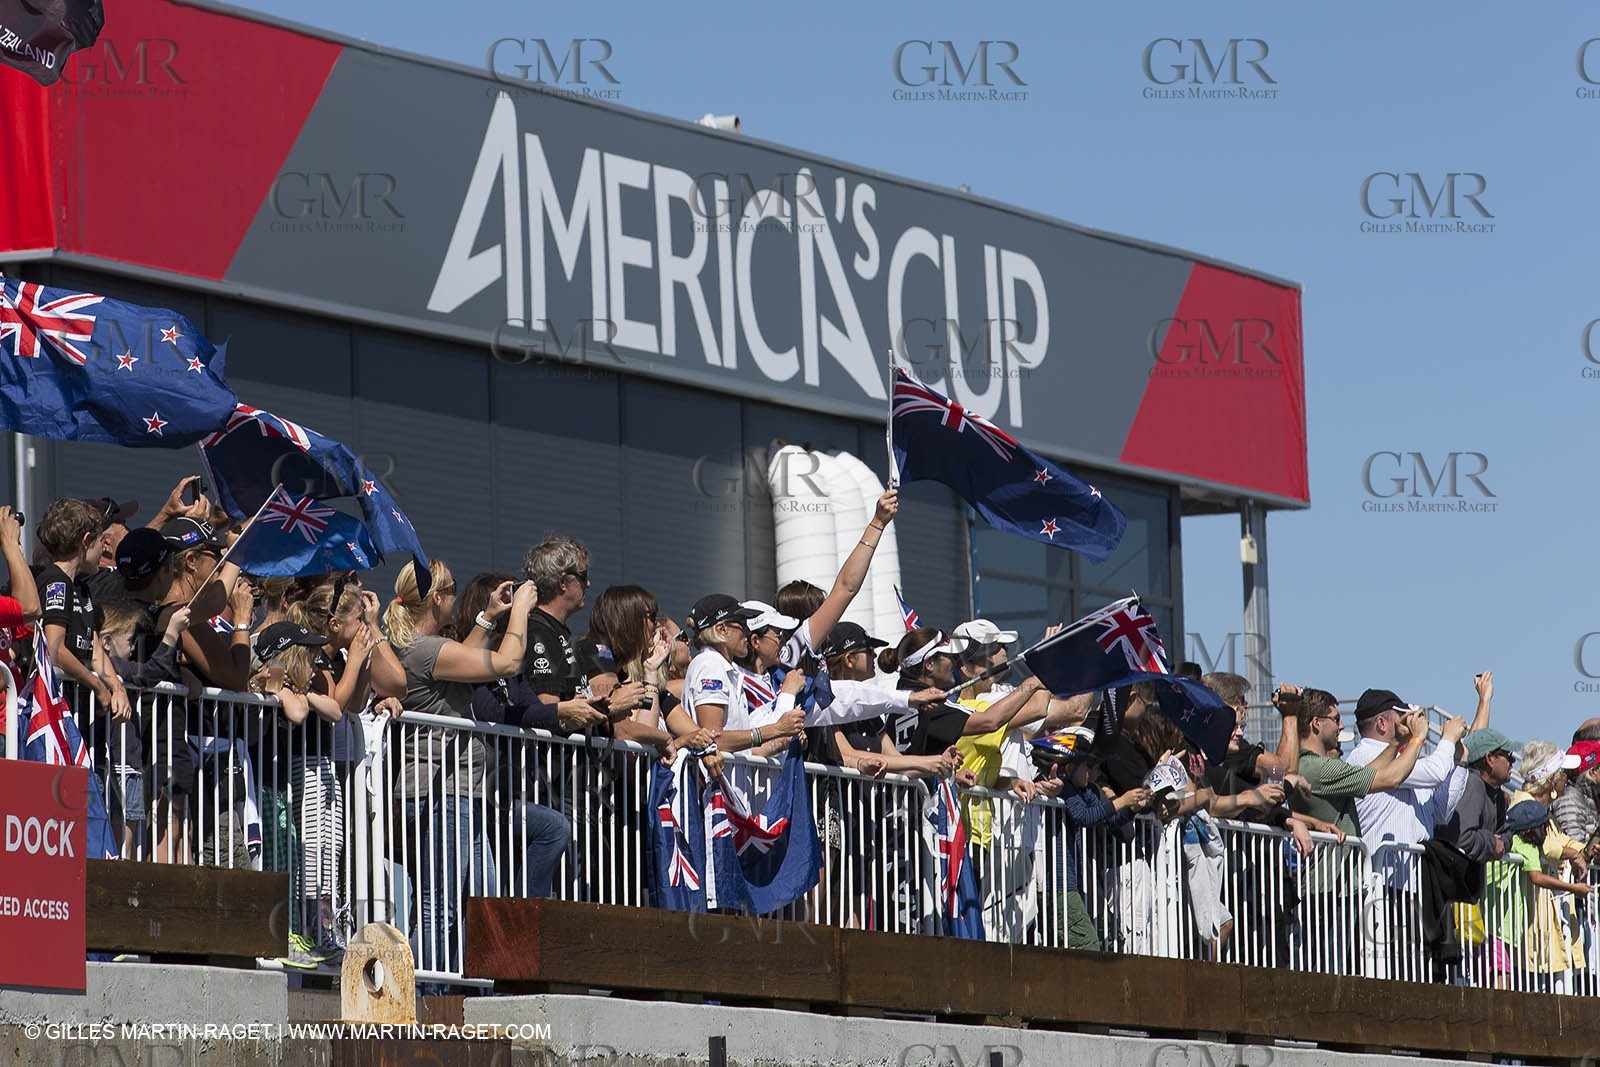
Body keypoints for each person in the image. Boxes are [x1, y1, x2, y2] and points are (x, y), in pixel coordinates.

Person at [375, 559, 539, 984]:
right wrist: (521, 611)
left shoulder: (416, 644)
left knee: (481, 897)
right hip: (441, 791)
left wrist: (489, 615)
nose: (455, 596)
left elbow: (461, 656)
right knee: (440, 903)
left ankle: (476, 991)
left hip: (451, 788)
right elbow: (505, 664)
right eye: (451, 591)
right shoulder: (424, 649)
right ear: (436, 599)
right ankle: (428, 992)